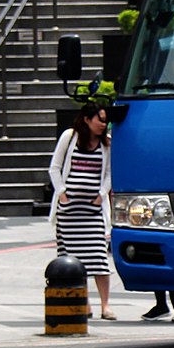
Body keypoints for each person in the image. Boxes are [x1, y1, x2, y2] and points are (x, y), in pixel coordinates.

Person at [48, 103, 115, 320]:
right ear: (87, 119)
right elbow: (55, 167)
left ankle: (105, 305)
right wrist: (62, 194)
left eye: (105, 121)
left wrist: (101, 195)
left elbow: (109, 174)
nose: (103, 125)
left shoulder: (107, 144)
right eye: (100, 120)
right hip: (69, 210)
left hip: (92, 208)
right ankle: (84, 303)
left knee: (99, 258)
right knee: (73, 260)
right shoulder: (70, 137)